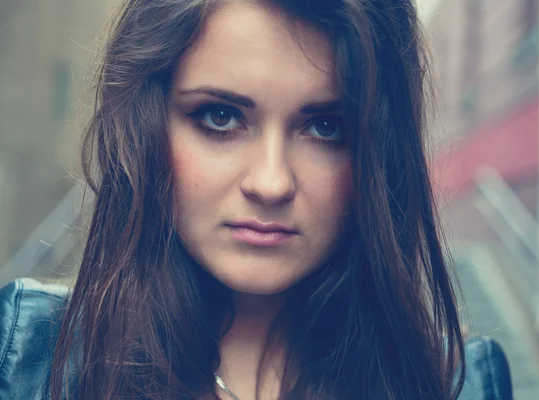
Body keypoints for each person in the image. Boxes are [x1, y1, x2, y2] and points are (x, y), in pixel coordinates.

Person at [1, 0, 511, 399]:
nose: (271, 183)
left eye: (326, 127)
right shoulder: (26, 357)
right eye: (220, 117)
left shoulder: (459, 385)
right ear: (145, 125)